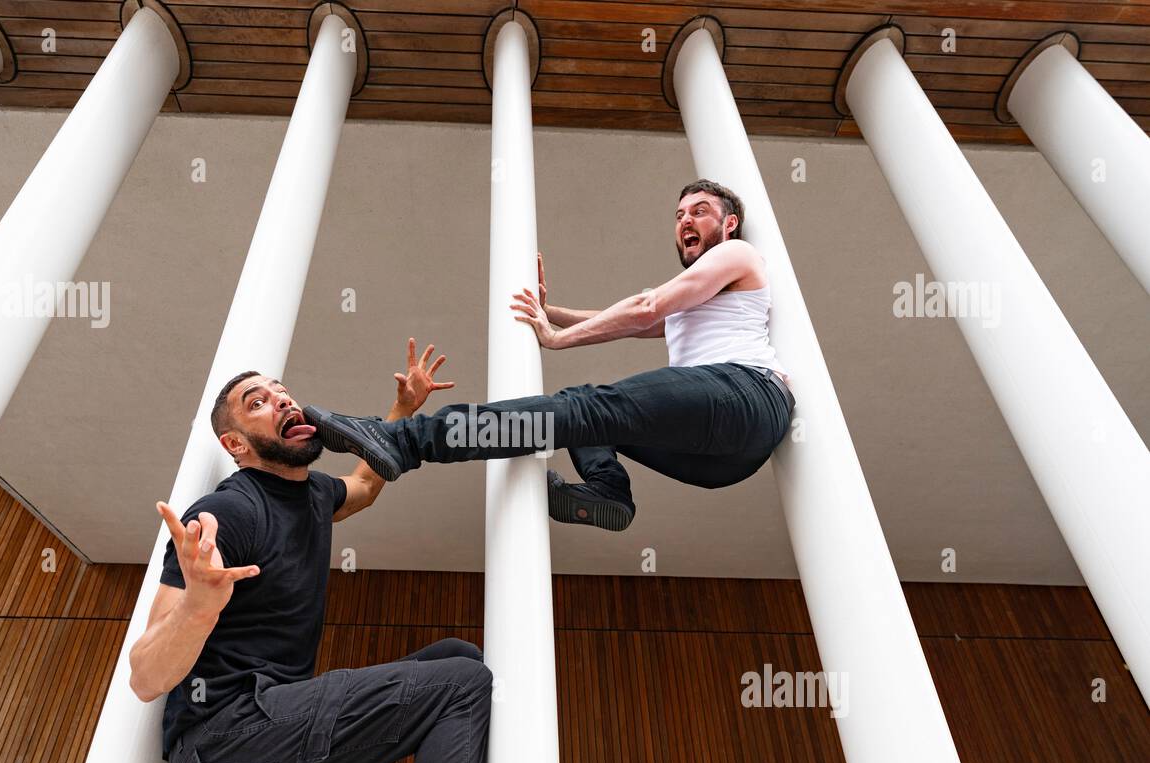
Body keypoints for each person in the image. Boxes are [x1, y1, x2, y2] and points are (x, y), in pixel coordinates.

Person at [128, 339, 493, 763]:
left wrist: (403, 411)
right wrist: (199, 604)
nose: (281, 400)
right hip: (226, 753)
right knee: (462, 685)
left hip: (269, 749)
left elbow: (366, 483)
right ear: (235, 445)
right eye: (258, 402)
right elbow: (145, 676)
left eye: (283, 393)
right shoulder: (228, 513)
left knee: (458, 659)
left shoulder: (314, 494)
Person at [302, 179, 795, 531]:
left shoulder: (736, 255)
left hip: (747, 395)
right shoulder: (703, 298)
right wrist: (548, 312)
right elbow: (627, 319)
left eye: (700, 211)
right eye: (680, 214)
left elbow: (646, 308)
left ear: (729, 223)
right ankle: (609, 492)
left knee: (585, 405)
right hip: (722, 460)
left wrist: (554, 339)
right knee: (581, 419)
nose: (686, 220)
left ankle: (405, 440)